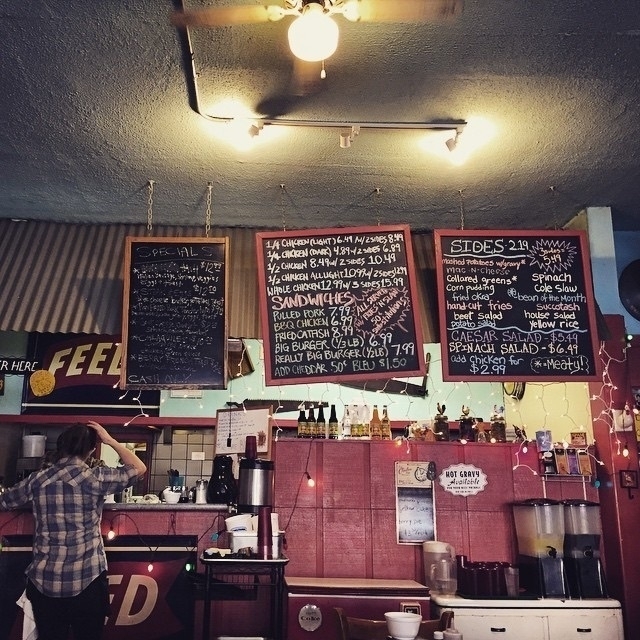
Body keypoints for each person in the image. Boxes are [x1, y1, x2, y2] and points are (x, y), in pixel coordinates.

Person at [0, 421, 147, 640]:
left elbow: (5, 501)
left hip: (44, 581)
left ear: (61, 447)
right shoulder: (96, 478)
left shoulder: (37, 480)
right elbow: (139, 468)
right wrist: (110, 440)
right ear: (91, 450)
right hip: (87, 581)